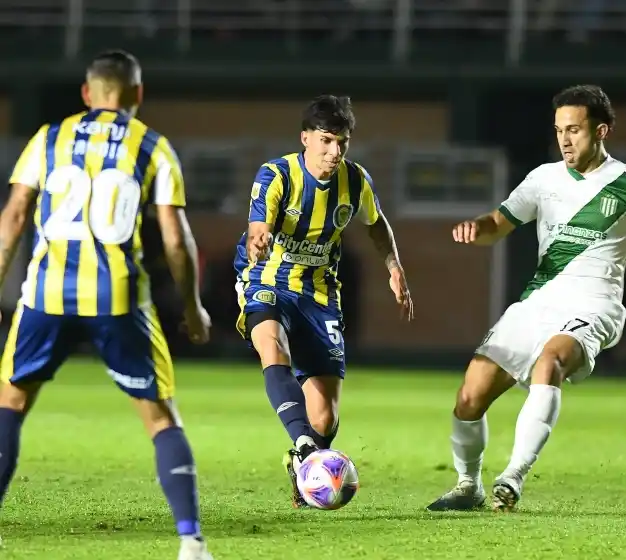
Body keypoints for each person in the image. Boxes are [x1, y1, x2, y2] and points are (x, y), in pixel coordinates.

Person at [426, 84, 626, 513]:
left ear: (601, 130)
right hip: (537, 303)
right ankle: (467, 485)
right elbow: (499, 221)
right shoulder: (542, 179)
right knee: (470, 396)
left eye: (574, 130)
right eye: (559, 131)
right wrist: (477, 228)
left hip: (594, 306)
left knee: (549, 363)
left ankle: (512, 477)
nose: (565, 140)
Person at [0, 50, 214, 560]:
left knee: (10, 402)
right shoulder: (153, 146)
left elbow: (13, 218)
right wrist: (192, 306)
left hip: (46, 293)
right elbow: (176, 239)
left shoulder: (49, 138)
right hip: (117, 296)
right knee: (160, 417)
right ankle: (190, 541)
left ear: (85, 93)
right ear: (138, 95)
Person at [233, 94, 414, 508]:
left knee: (325, 419)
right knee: (272, 345)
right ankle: (303, 447)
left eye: (342, 143)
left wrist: (394, 266)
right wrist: (259, 235)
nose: (334, 152)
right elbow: (259, 221)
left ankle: (304, 459)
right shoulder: (277, 173)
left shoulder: (356, 181)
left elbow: (377, 224)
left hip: (320, 291)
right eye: (327, 141)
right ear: (306, 138)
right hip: (268, 277)